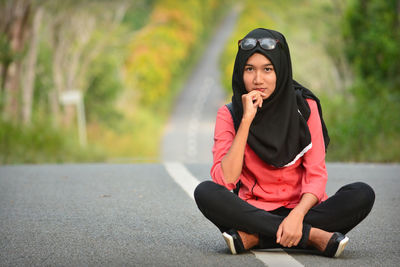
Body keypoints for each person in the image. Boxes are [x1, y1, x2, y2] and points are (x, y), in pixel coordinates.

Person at [194, 28, 375, 257]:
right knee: (205, 192)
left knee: (362, 193)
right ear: (241, 72)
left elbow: (316, 176)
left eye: (267, 69)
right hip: (253, 209)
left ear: (281, 70)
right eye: (250, 69)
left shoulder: (305, 108)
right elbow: (227, 179)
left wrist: (297, 217)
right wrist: (246, 120)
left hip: (302, 209)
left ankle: (257, 237)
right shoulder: (229, 114)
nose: (258, 79)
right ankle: (312, 237)